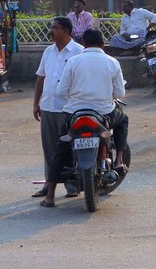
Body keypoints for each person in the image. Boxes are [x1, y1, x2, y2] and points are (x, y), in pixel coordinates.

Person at [46, 29, 128, 209]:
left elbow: (61, 91)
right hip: (104, 113)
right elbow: (120, 93)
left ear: (84, 43)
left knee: (61, 149)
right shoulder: (112, 62)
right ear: (102, 44)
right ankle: (120, 159)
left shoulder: (73, 61)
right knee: (123, 120)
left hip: (75, 114)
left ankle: (50, 195)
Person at [31, 17, 83, 202]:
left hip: (68, 108)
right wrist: (36, 103)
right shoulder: (48, 51)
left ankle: (72, 185)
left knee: (70, 147)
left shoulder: (78, 52)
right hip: (48, 107)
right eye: (51, 27)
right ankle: (49, 184)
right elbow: (40, 79)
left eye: (56, 28)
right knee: (49, 148)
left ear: (66, 31)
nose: (52, 31)